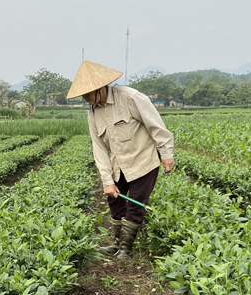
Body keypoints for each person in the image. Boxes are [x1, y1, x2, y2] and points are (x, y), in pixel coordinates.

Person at [66, 60, 175, 259]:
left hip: (143, 160)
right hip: (120, 164)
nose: (84, 97)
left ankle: (126, 249)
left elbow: (156, 126)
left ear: (100, 88)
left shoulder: (131, 97)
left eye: (88, 93)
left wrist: (167, 155)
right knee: (114, 200)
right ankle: (117, 243)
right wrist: (107, 181)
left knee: (134, 204)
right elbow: (98, 148)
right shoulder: (92, 112)